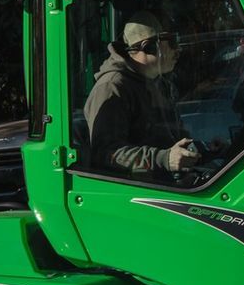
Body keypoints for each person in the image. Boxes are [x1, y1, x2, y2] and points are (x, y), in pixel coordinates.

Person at [82, 12, 201, 178]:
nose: (178, 49)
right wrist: (163, 159)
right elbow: (107, 154)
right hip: (136, 188)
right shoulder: (113, 87)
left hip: (166, 183)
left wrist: (199, 151)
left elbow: (171, 139)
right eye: (171, 42)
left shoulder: (158, 84)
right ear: (148, 47)